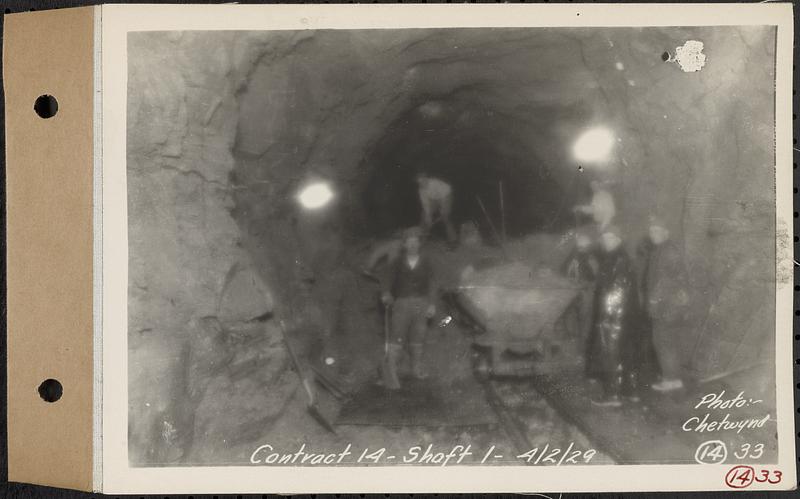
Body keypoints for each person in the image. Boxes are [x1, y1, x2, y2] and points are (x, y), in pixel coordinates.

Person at [585, 225, 641, 407]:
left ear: (618, 239)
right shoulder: (620, 257)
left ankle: (612, 394)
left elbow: (616, 291)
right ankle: (630, 391)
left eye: (610, 238)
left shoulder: (616, 259)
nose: (606, 241)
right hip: (627, 315)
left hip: (614, 315)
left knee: (611, 353)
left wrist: (607, 317)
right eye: (605, 238)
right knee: (627, 352)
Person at [380, 227, 437, 387]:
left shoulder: (426, 261)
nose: (412, 245)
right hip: (401, 304)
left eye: (415, 242)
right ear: (404, 245)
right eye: (409, 242)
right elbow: (387, 279)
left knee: (418, 336)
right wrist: (385, 293)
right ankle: (391, 372)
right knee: (397, 336)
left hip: (421, 303)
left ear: (419, 244)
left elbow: (432, 283)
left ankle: (416, 369)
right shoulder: (396, 262)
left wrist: (432, 303)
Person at [640, 216, 690, 392]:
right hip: (667, 305)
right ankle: (671, 376)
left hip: (667, 306)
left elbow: (666, 281)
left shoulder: (668, 251)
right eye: (652, 230)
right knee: (664, 342)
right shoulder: (661, 250)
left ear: (666, 233)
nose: (653, 234)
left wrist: (653, 301)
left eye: (657, 230)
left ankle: (671, 380)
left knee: (663, 341)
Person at [560, 227, 598, 340]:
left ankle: (583, 336)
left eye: (583, 246)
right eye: (579, 246)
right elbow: (563, 269)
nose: (581, 248)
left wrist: (586, 283)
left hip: (586, 288)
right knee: (569, 311)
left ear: (588, 246)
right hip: (572, 287)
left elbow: (594, 276)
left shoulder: (592, 257)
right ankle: (571, 334)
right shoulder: (573, 255)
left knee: (584, 314)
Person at [416, 172, 457, 245]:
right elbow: (426, 204)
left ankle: (453, 241)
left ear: (426, 179)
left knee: (445, 217)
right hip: (434, 199)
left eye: (423, 181)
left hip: (446, 195)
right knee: (424, 216)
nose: (422, 184)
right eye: (420, 183)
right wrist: (428, 217)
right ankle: (421, 239)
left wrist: (443, 209)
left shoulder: (435, 183)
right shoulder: (421, 190)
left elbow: (444, 197)